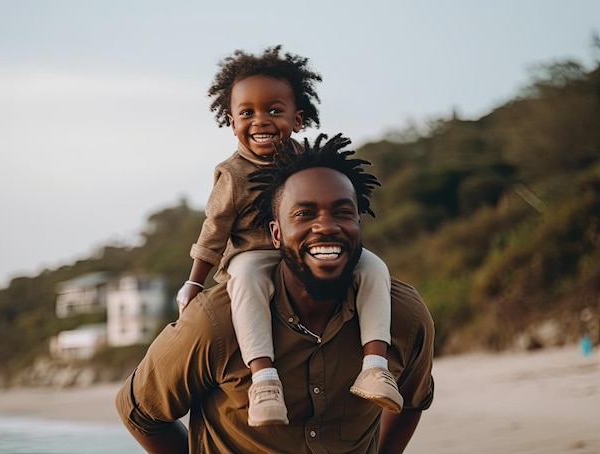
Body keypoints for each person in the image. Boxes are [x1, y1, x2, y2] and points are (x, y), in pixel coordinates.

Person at [116, 133, 435, 453]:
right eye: (304, 214)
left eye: (342, 212)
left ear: (358, 222)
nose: (326, 226)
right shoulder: (214, 323)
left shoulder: (403, 316)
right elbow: (139, 412)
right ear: (276, 233)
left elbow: (412, 399)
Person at [177, 45, 402, 427]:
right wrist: (193, 282)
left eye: (274, 110)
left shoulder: (307, 160)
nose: (260, 121)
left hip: (307, 253)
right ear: (231, 122)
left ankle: (376, 366)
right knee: (246, 277)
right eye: (247, 113)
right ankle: (264, 380)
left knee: (374, 266)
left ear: (297, 119)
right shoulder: (231, 175)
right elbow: (214, 230)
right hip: (255, 254)